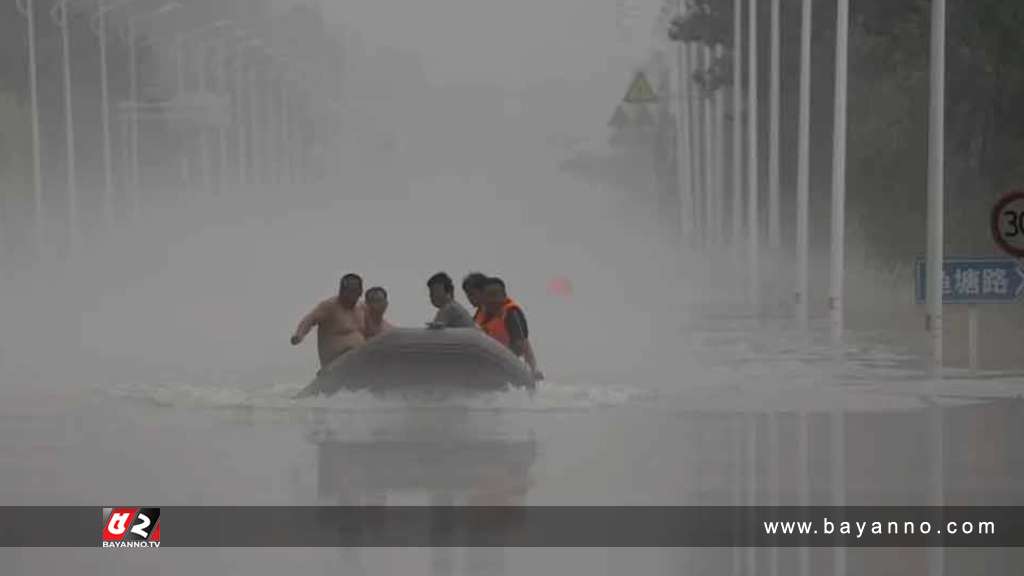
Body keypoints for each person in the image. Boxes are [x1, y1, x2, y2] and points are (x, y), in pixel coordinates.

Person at [290, 273, 367, 369]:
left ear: (360, 292)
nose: (348, 294)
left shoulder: (362, 308)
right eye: (345, 290)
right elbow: (309, 319)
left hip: (359, 363)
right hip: (335, 364)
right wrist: (299, 335)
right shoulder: (329, 306)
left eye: (352, 291)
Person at [479, 276, 543, 381]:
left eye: (495, 295)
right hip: (488, 365)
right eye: (488, 296)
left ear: (504, 296)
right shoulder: (481, 315)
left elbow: (522, 345)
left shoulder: (511, 313)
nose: (491, 300)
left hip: (510, 364)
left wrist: (533, 370)